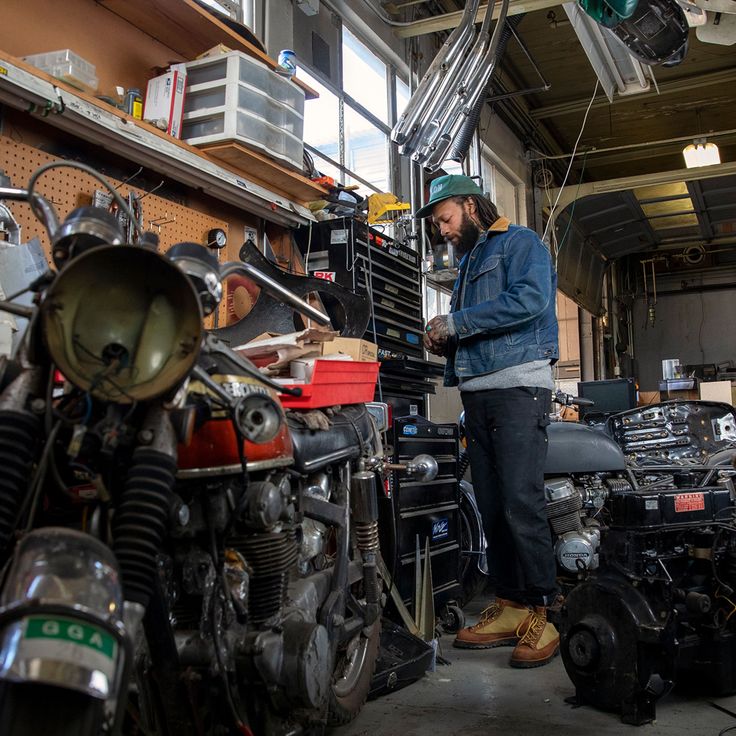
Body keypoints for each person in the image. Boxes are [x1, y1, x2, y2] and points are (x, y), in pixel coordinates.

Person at [417, 174, 560, 669]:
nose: (443, 231)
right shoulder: (468, 264)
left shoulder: (521, 244)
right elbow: (477, 325)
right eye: (438, 225)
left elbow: (530, 301)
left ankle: (544, 608)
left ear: (472, 207)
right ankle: (511, 605)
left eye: (446, 219)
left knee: (522, 501)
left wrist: (458, 323)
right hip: (478, 394)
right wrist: (446, 338)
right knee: (494, 506)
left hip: (519, 389)